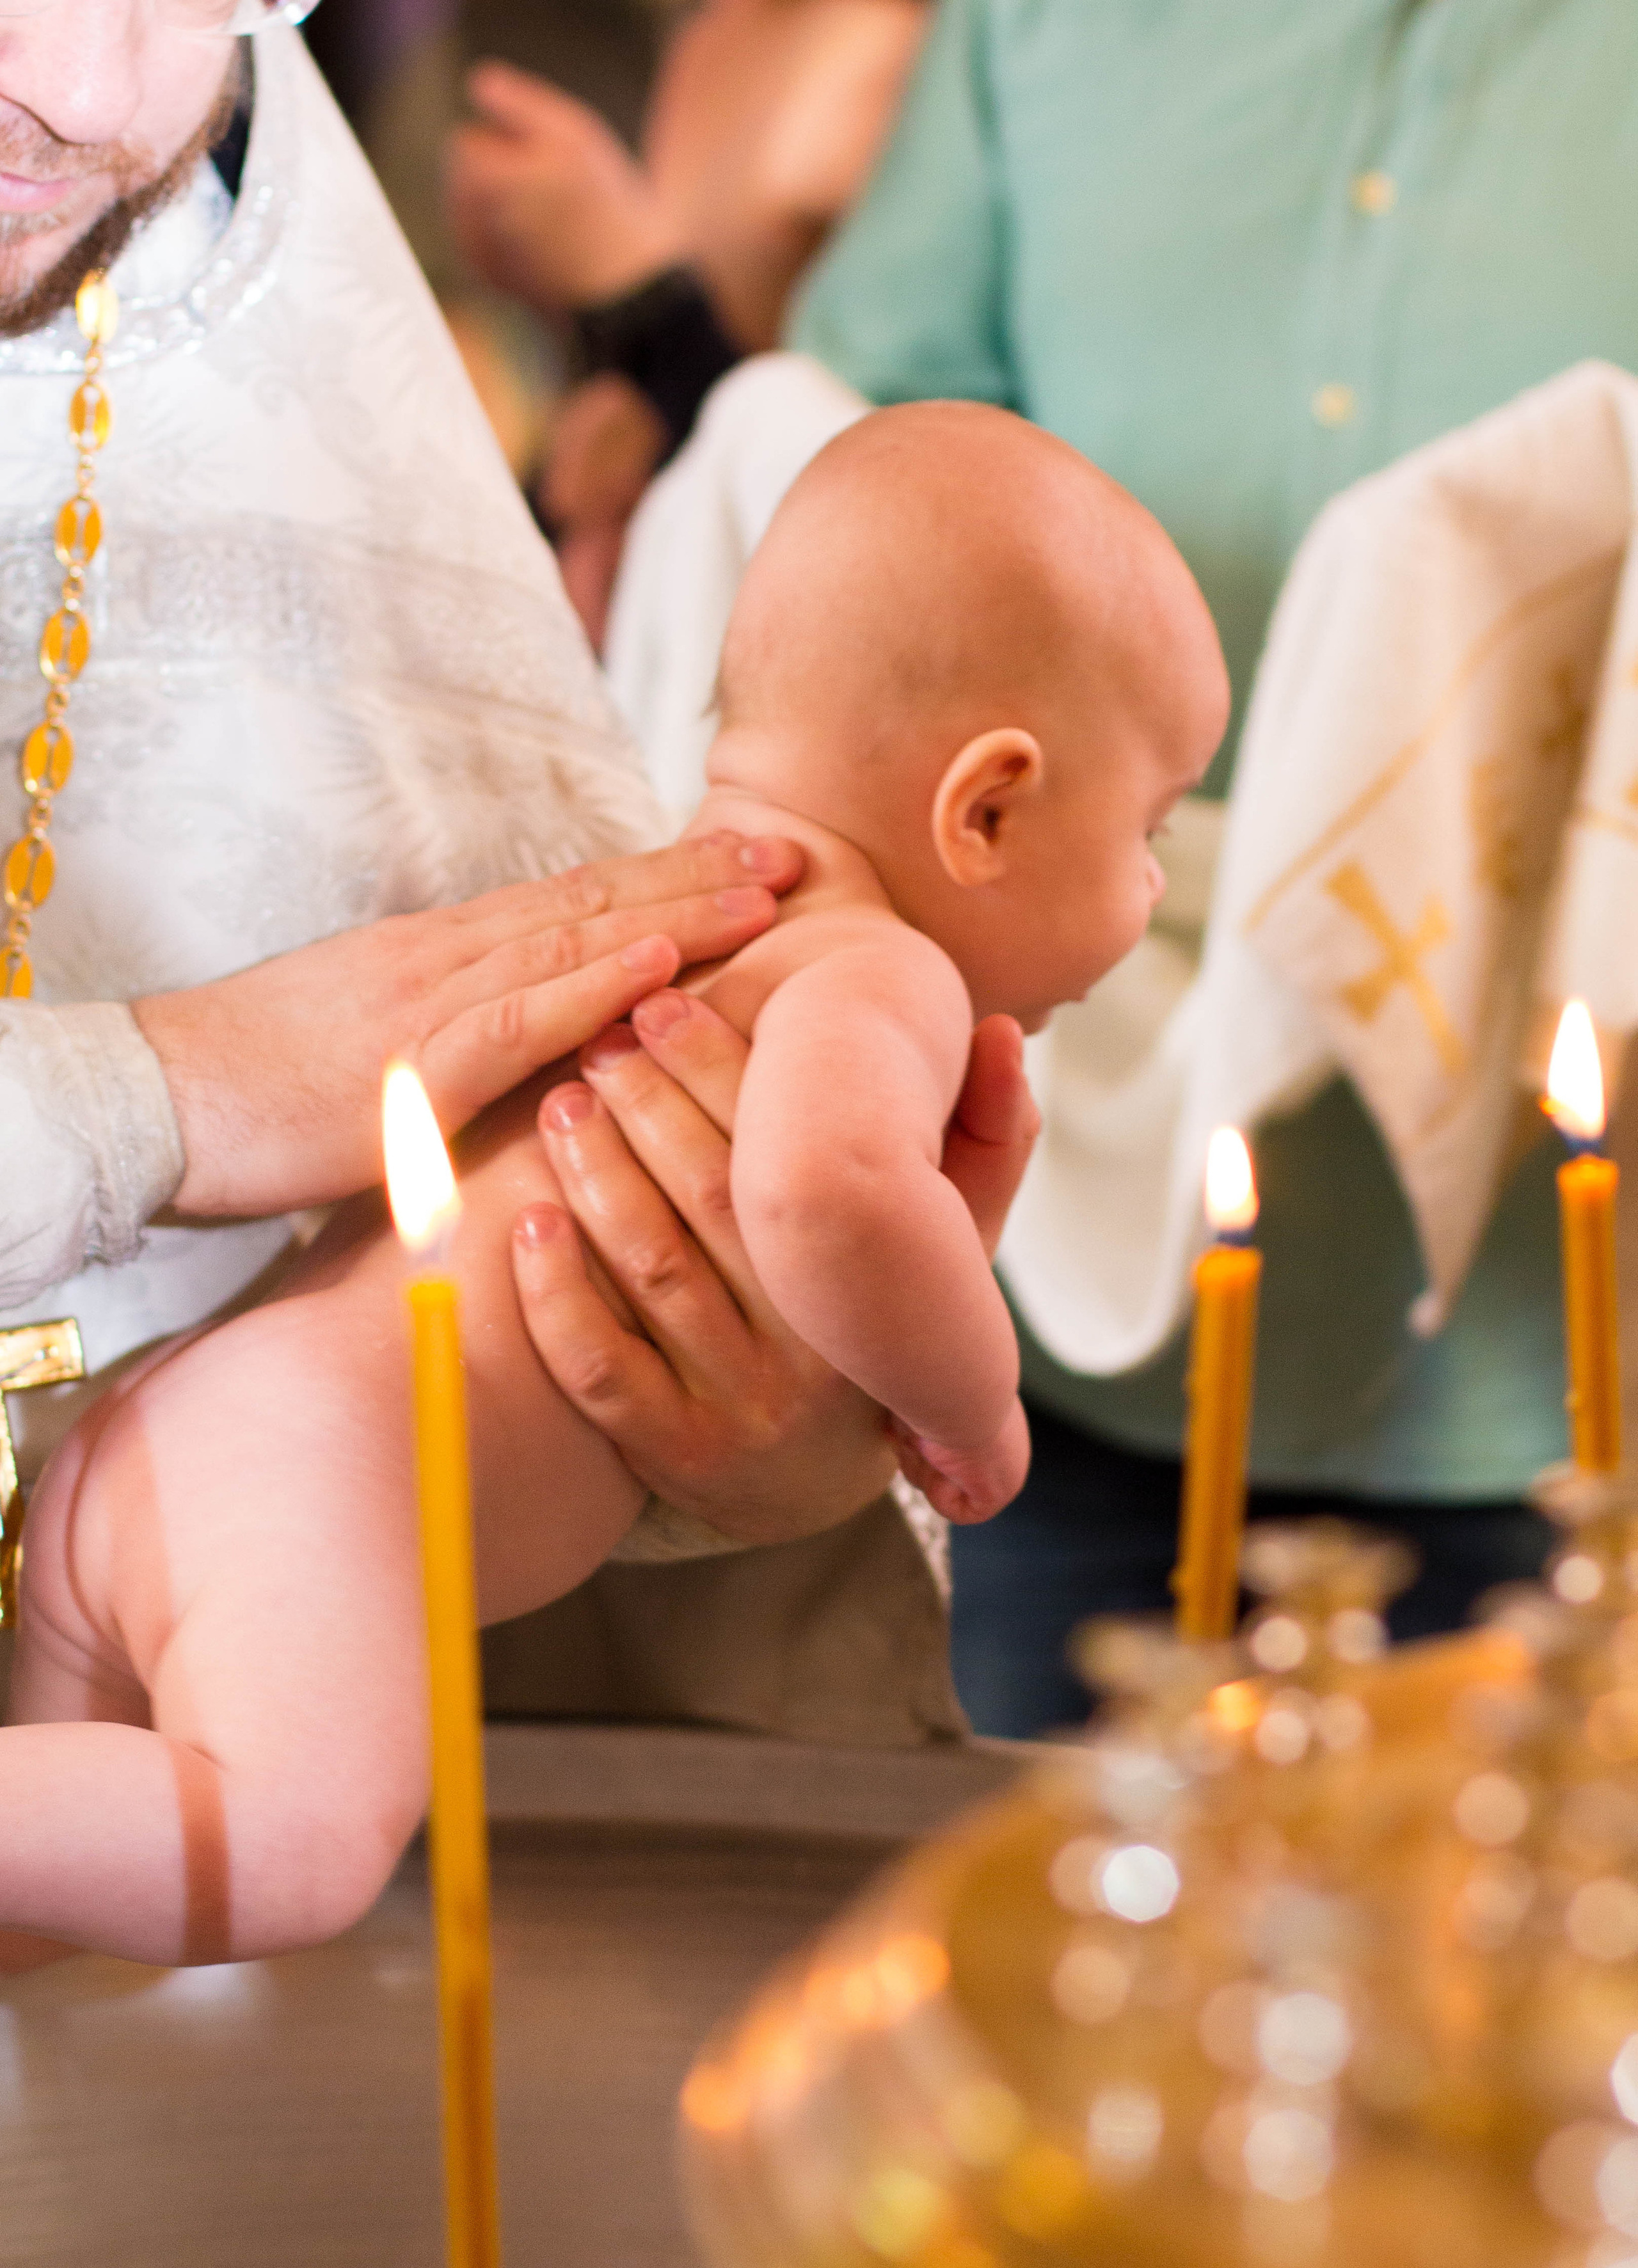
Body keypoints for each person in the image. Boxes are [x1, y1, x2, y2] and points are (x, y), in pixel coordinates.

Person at [1, 404, 1227, 1967]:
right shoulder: (868, 965)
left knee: (51, 1944)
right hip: (317, 1479)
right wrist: (971, 1403)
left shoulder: (642, 919)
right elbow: (825, 1196)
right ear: (983, 806)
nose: (1149, 886)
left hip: (167, 1430)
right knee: (287, 1849)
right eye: (1149, 827)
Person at [0, 5, 1034, 1744]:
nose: (95, 90)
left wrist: (696, 1425)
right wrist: (157, 1099)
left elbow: (486, 1332)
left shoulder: (182, 253)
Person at [765, 0, 1638, 1735]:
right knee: (1044, 1953)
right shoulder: (1036, 27)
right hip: (1046, 1335)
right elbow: (846, 493)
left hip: (1570, 1380)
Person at [443, 0, 928, 639]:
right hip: (675, 563)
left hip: (810, 604)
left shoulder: (898, 51)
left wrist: (628, 283)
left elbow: (869, 461)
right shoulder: (713, 37)